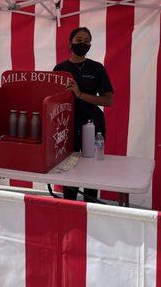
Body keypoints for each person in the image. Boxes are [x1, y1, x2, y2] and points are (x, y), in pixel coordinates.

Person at [53, 27, 114, 202]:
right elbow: (53, 99)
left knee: (91, 170)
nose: (83, 44)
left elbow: (108, 101)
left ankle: (90, 207)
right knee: (69, 169)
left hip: (93, 125)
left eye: (87, 41)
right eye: (79, 40)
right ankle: (70, 206)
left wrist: (80, 95)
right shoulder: (60, 68)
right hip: (68, 126)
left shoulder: (96, 68)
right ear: (70, 43)